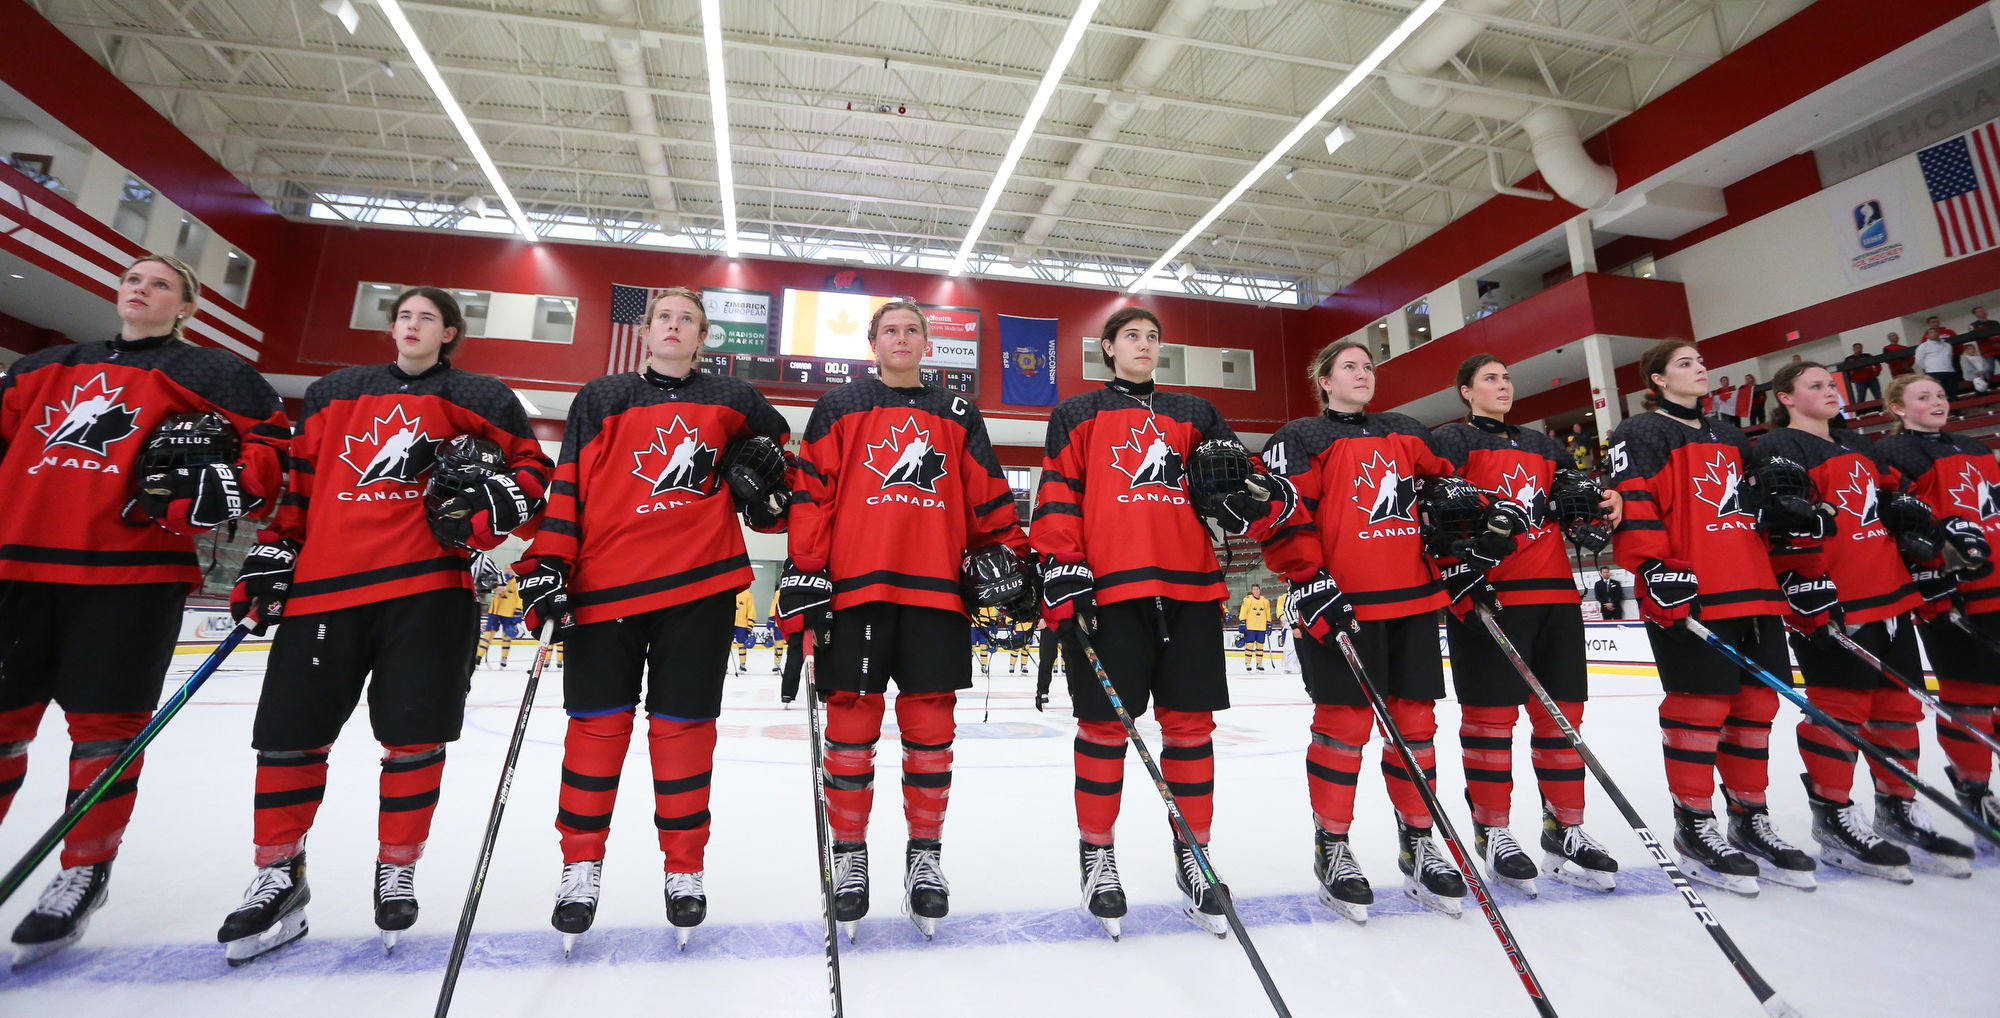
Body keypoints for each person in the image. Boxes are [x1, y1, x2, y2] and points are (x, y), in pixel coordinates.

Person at [218, 286, 552, 963]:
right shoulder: (335, 392)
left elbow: (533, 471)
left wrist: (499, 499)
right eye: (403, 315)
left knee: (414, 739)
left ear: (450, 333)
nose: (412, 325)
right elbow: (300, 483)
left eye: (427, 317)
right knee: (290, 738)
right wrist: (276, 546)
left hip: (427, 588)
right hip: (324, 588)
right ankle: (279, 873)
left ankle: (398, 865)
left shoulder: (483, 397)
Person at [0, 254, 286, 966]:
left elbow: (274, 452)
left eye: (160, 282)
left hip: (131, 574)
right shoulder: (44, 366)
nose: (140, 287)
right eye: (133, 277)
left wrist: (224, 481)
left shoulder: (214, 375)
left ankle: (81, 872)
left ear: (184, 307)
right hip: (15, 564)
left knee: (105, 735)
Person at [508, 286, 790, 951]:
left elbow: (782, 465)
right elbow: (568, 486)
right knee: (595, 732)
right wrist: (548, 561)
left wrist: (767, 484)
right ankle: (580, 866)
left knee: (684, 733)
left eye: (687, 319)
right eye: (664, 316)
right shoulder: (601, 397)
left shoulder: (733, 399)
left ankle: (684, 870)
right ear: (647, 331)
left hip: (701, 586)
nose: (674, 325)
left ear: (703, 336)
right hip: (604, 588)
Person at [1032, 305, 1293, 938]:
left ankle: (1194, 855)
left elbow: (1244, 484)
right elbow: (1059, 492)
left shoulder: (1195, 413)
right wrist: (1063, 567)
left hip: (1191, 589)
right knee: (1103, 728)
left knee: (1190, 729)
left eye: (1153, 337)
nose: (1145, 345)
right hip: (1111, 592)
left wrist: (1260, 497)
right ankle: (1098, 856)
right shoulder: (1077, 414)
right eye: (1133, 337)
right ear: (1108, 348)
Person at [781, 300, 1031, 940]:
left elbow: (988, 497)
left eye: (912, 329)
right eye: (890, 329)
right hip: (856, 591)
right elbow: (812, 495)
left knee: (930, 732)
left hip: (935, 593)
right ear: (873, 341)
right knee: (851, 729)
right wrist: (805, 569)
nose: (901, 337)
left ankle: (925, 857)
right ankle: (851, 855)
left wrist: (1012, 556)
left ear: (927, 342)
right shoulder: (840, 405)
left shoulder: (955, 411)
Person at [1258, 338, 1485, 921]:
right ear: (1324, 381)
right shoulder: (1300, 437)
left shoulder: (1406, 429)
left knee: (1415, 724)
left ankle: (1418, 843)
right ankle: (1332, 848)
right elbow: (1285, 512)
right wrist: (1305, 577)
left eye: (1369, 366)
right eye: (1350, 367)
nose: (1364, 374)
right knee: (1345, 724)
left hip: (1411, 600)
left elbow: (1446, 491)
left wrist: (1461, 532)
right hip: (1342, 604)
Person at [1605, 339, 1818, 897]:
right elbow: (1636, 500)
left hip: (1755, 587)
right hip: (1692, 589)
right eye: (1685, 364)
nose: (1700, 369)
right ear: (1656, 380)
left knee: (1756, 706)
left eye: (1701, 362)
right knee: (1699, 709)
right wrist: (1652, 567)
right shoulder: (1642, 432)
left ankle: (1749, 817)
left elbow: (1757, 507)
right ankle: (1694, 824)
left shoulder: (1729, 433)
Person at [1759, 362, 1973, 880]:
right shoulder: (1777, 447)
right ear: (1786, 397)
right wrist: (1800, 585)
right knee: (1842, 707)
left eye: (1832, 384)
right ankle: (1833, 815)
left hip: (1891, 592)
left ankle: (1897, 808)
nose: (1831, 392)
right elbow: (1779, 524)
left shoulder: (1857, 444)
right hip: (1836, 599)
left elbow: (1894, 506)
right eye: (1816, 386)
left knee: (1898, 707)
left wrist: (1919, 541)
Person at [1431, 354, 1624, 894]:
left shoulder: (1544, 444)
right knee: (1490, 721)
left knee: (1563, 719)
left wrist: (1609, 500)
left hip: (1556, 594)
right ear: (1466, 391)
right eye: (1489, 378)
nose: (1503, 385)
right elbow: (1431, 513)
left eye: (1507, 377)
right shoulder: (1451, 441)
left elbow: (1578, 502)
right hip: (1491, 594)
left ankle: (1566, 826)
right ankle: (1492, 830)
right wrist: (1456, 577)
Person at [1869, 373, 2000, 848]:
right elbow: (1901, 525)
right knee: (1969, 696)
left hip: (1998, 577)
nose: (1938, 402)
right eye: (1923, 397)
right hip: (1954, 588)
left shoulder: (1976, 447)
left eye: (1942, 394)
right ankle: (1975, 789)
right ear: (1897, 408)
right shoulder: (1892, 453)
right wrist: (1933, 570)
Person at [478, 576, 525, 667]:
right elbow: (483, 590)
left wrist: (518, 610)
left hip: (509, 612)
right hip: (495, 611)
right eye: (506, 568)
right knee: (488, 633)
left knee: (507, 635)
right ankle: (478, 656)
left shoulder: (517, 582)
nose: (507, 570)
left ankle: (504, 657)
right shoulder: (497, 578)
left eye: (509, 569)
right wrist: (494, 590)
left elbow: (520, 597)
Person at [1914, 327, 1960, 403]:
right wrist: (1929, 368)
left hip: (1949, 371)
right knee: (1939, 393)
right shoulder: (1923, 346)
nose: (1934, 333)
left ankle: (1956, 411)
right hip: (1934, 372)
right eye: (1931, 332)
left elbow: (1950, 357)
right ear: (1927, 336)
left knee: (1952, 392)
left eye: (1935, 332)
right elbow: (1919, 360)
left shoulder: (1947, 345)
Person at [1239, 583, 1273, 671]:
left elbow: (1268, 613)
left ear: (1260, 590)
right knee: (1249, 645)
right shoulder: (1247, 599)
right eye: (1254, 589)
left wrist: (1269, 624)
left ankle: (1259, 663)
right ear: (1252, 591)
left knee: (1260, 646)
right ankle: (1248, 663)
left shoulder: (1265, 601)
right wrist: (1242, 622)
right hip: (1250, 626)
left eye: (1257, 589)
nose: (1256, 591)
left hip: (1261, 627)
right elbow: (1243, 611)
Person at [733, 587, 756, 675]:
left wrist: (750, 624)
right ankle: (725, 665)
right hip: (730, 622)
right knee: (727, 645)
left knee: (741, 644)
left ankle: (742, 664)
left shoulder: (747, 594)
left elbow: (751, 609)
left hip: (742, 624)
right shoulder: (730, 592)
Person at [1971, 306, 1999, 377]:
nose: (1983, 312)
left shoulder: (1994, 323)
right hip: (1987, 351)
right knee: (1989, 370)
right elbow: (1976, 337)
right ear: (1975, 314)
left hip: (1998, 348)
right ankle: (1991, 386)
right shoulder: (1974, 325)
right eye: (1980, 311)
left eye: (1983, 310)